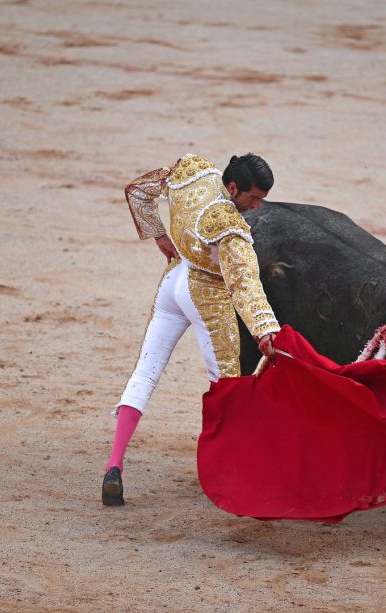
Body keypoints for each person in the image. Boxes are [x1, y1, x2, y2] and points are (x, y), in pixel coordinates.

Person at [102, 152, 280, 505]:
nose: (258, 207)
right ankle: (225, 470)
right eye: (254, 198)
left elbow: (138, 191)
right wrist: (264, 329)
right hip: (206, 296)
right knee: (227, 386)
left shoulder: (195, 172)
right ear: (232, 187)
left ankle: (114, 466)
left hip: (172, 283)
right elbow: (244, 283)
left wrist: (159, 236)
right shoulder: (229, 226)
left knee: (144, 374)